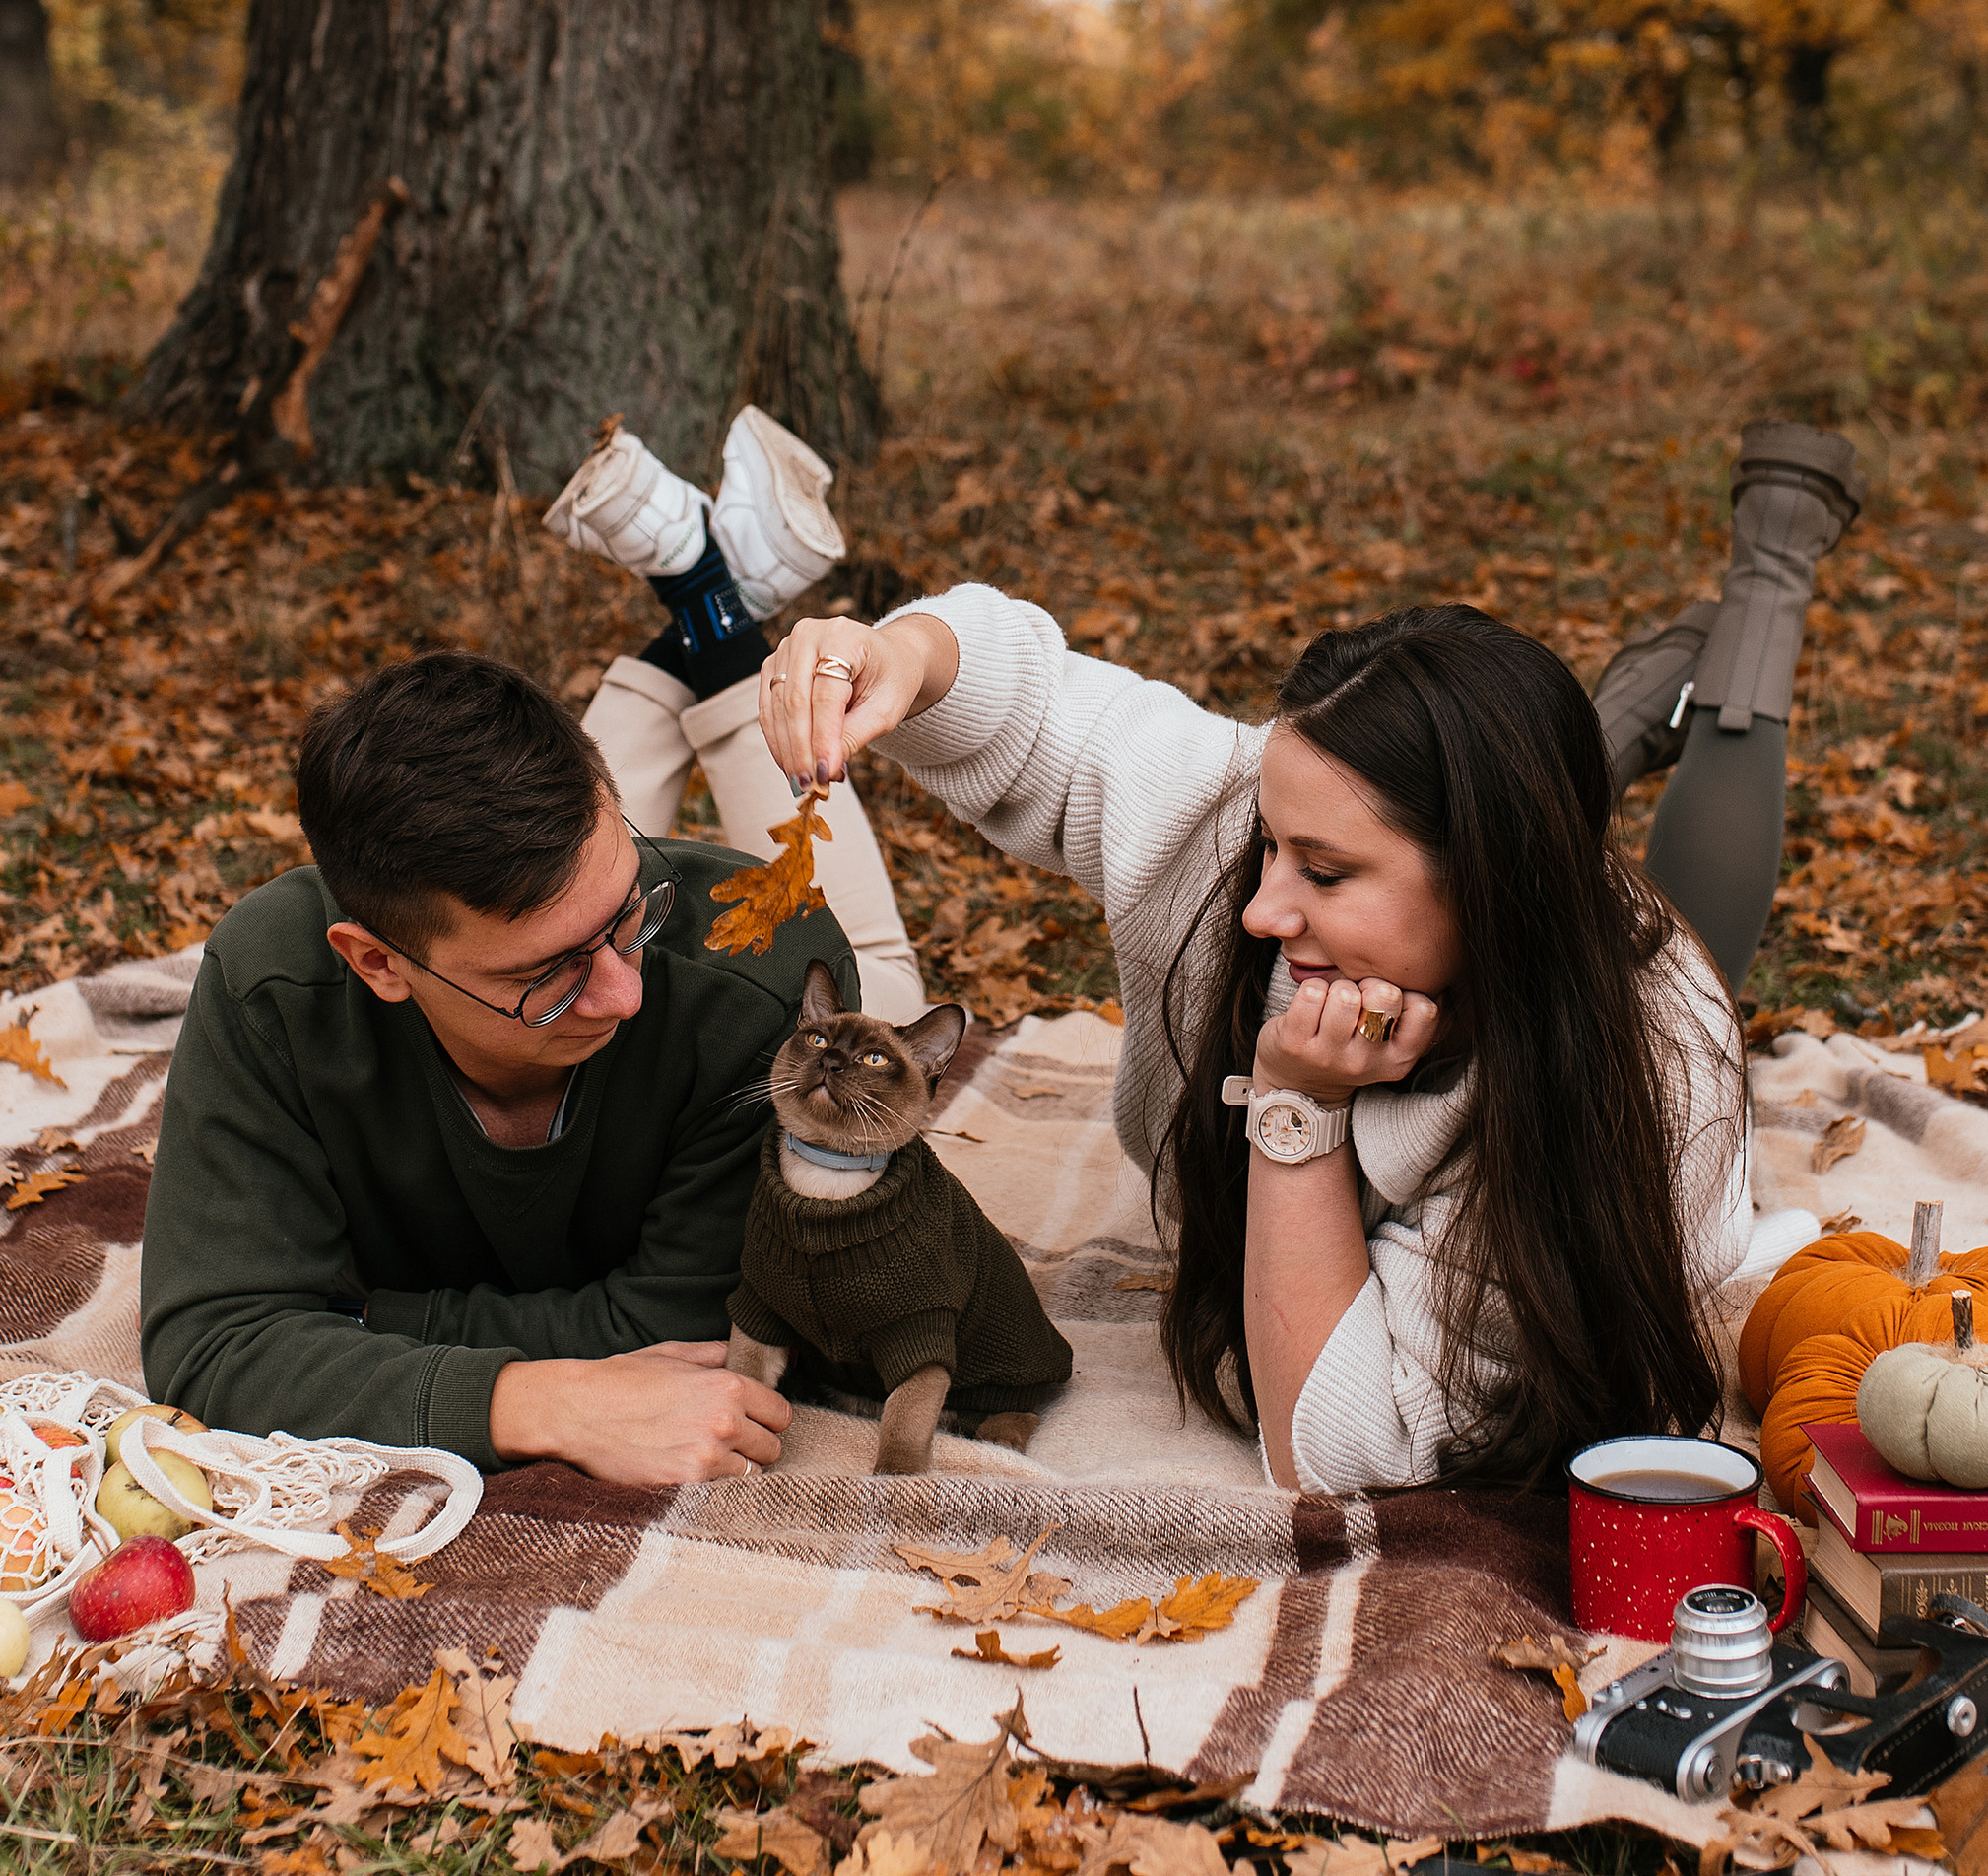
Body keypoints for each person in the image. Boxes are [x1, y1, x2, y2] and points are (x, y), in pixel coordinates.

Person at [755, 422, 1866, 1494]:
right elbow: (1043, 711)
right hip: (1508, 868)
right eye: (1270, 845)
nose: (1258, 910)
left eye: (1324, 873)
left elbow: (1329, 1444)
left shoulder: (1646, 1076)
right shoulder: (1269, 820)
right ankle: (1603, 722)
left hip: (1596, 999)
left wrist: (1297, 1104)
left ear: (1490, 885)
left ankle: (1760, 599)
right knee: (1494, 795)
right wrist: (894, 653)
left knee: (1695, 924)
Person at [140, 408, 922, 1483]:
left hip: (753, 947)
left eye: (629, 917)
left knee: (874, 971)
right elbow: (215, 1346)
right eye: (545, 980)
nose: (621, 995)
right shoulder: (275, 982)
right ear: (376, 963)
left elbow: (695, 1325)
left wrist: (359, 1323)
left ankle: (711, 604)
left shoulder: (755, 988)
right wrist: (528, 1400)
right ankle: (709, 596)